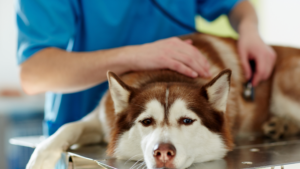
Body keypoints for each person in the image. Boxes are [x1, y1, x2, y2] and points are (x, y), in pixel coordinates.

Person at [17, 0, 276, 136]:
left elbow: (235, 4)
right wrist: (136, 56)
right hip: (91, 139)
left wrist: (249, 29)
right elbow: (34, 73)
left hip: (180, 138)